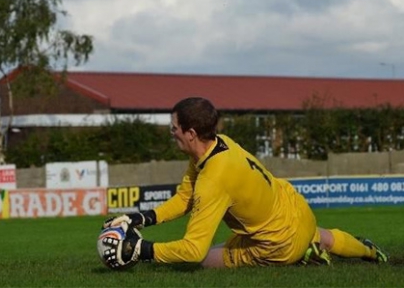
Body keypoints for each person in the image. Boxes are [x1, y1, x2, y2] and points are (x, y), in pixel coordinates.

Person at [101, 97, 389, 269]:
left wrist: (141, 250)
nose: (171, 133)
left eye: (173, 128)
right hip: (296, 211)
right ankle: (369, 252)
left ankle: (302, 256)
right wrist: (139, 218)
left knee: (202, 262)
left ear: (190, 133)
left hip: (277, 245)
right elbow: (183, 199)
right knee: (321, 234)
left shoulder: (213, 180)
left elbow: (193, 250)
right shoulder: (219, 144)